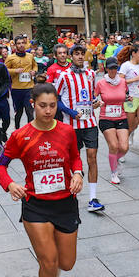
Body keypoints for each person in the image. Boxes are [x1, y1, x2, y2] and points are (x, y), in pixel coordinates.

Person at [0, 83, 85, 277]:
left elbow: (75, 157)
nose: (48, 111)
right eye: (42, 105)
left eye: (52, 106)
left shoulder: (67, 131)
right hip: (36, 206)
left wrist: (77, 173)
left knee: (66, 264)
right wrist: (9, 184)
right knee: (48, 260)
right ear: (32, 104)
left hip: (66, 203)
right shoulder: (20, 135)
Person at [54, 43, 105, 212]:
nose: (80, 57)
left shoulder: (91, 74)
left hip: (90, 123)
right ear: (71, 56)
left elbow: (90, 96)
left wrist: (95, 102)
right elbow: (57, 99)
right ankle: (71, 194)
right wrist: (70, 111)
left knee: (92, 158)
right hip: (71, 125)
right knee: (71, 161)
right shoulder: (64, 76)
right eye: (76, 54)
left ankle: (93, 198)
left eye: (82, 54)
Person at [95, 57, 130, 184]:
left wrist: (127, 99)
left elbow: (123, 96)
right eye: (111, 68)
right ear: (106, 69)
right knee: (114, 146)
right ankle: (114, 173)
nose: (113, 70)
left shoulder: (122, 82)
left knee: (124, 147)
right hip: (106, 118)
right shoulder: (101, 83)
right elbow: (93, 98)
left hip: (121, 117)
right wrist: (96, 103)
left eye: (115, 68)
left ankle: (115, 161)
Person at [6, 37, 39, 129]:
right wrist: (15, 71)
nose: (21, 45)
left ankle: (31, 131)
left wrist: (34, 71)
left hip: (29, 88)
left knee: (30, 111)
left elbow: (35, 66)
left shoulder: (30, 56)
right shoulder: (11, 57)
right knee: (19, 112)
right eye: (19, 43)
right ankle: (17, 129)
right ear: (15, 45)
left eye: (23, 43)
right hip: (17, 89)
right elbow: (5, 70)